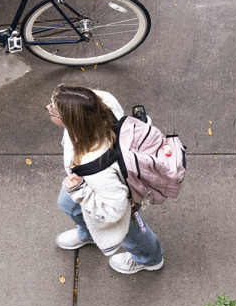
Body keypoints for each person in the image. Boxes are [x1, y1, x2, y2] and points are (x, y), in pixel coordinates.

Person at [48, 85, 164, 274]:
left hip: (111, 194)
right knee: (68, 205)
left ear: (72, 120)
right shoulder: (102, 101)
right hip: (87, 182)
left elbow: (114, 212)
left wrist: (80, 192)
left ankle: (150, 259)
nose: (48, 108)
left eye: (54, 110)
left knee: (129, 230)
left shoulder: (98, 169)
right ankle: (90, 234)